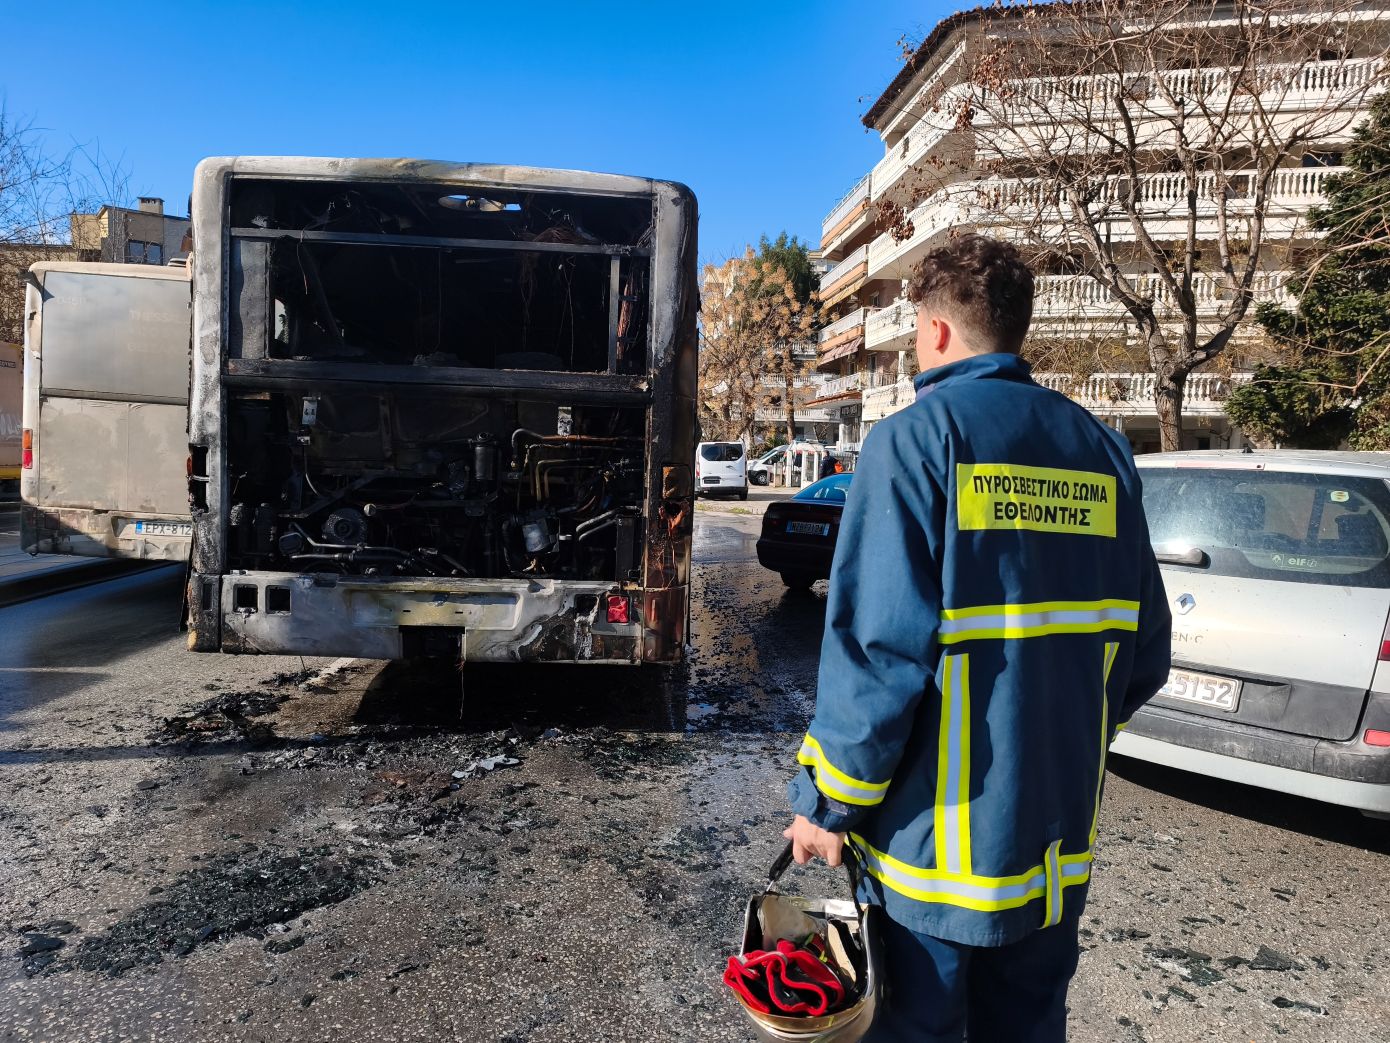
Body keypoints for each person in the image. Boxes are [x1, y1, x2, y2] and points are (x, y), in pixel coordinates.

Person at [783, 235, 1171, 1042]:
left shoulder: (913, 443)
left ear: (933, 331)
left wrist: (827, 805)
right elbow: (1144, 652)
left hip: (935, 867)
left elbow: (879, 657)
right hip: (1052, 856)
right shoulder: (1103, 452)